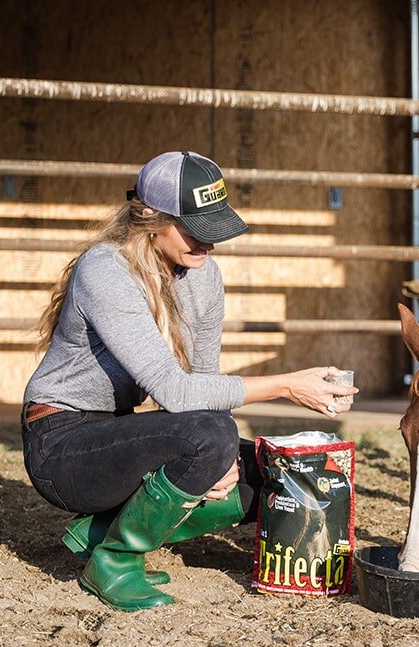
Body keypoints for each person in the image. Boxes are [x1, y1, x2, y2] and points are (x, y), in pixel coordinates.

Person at [21, 150, 358, 612]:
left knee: (270, 469)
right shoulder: (104, 270)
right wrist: (286, 386)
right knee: (211, 437)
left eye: (214, 231)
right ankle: (115, 560)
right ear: (149, 218)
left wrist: (223, 462)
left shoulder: (202, 275)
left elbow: (204, 382)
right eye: (195, 232)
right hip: (62, 447)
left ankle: (102, 531)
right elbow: (174, 391)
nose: (208, 246)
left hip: (116, 432)